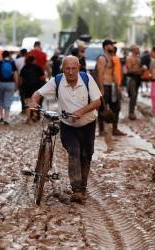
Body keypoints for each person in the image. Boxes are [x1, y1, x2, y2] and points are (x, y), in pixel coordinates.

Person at [31, 55, 101, 203]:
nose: (70, 72)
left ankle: (83, 186)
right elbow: (38, 93)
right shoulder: (57, 80)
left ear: (79, 68)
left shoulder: (87, 79)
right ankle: (76, 189)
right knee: (74, 152)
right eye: (67, 68)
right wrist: (34, 101)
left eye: (73, 68)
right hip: (68, 125)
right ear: (63, 69)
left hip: (88, 124)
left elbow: (97, 102)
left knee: (86, 155)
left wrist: (81, 111)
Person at [96, 39, 125, 136]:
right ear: (106, 47)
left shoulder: (111, 58)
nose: (113, 46)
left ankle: (115, 129)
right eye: (111, 45)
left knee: (116, 107)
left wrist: (118, 86)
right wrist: (101, 88)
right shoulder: (102, 58)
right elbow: (100, 74)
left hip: (112, 86)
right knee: (102, 109)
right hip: (105, 85)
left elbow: (113, 74)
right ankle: (101, 130)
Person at [0, 50, 18, 125]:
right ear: (9, 55)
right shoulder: (12, 63)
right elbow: (15, 75)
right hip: (10, 84)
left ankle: (1, 116)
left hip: (0, 83)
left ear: (2, 56)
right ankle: (6, 119)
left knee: (0, 99)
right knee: (8, 100)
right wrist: (16, 84)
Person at [20, 55, 45, 124]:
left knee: (28, 103)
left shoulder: (24, 68)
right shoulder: (37, 67)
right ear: (34, 60)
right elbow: (43, 77)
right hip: (36, 87)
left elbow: (21, 79)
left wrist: (21, 87)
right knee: (35, 102)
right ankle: (34, 115)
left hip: (27, 88)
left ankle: (28, 118)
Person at [126, 45, 142, 120]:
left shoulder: (139, 58)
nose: (138, 50)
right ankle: (131, 113)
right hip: (132, 78)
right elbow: (129, 70)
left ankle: (132, 111)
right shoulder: (129, 58)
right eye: (137, 49)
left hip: (138, 78)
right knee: (133, 95)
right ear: (133, 50)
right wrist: (139, 70)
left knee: (135, 96)